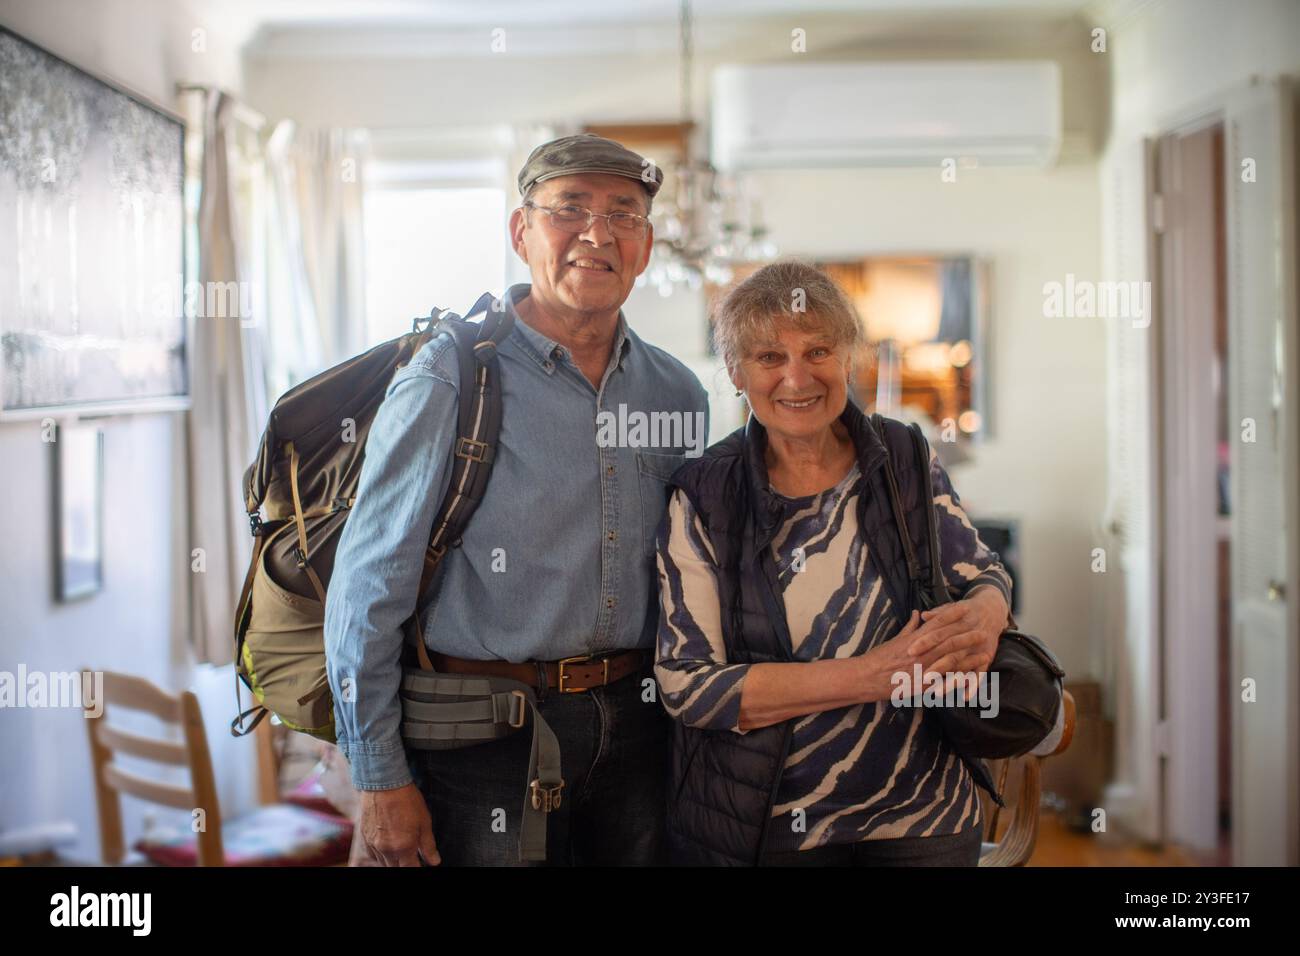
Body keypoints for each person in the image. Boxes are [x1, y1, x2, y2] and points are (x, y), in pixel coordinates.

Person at [325, 133, 709, 866]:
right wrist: (378, 778)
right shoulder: (450, 377)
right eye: (571, 208)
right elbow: (367, 588)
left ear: (647, 245)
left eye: (623, 214)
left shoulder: (677, 393)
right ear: (521, 230)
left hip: (641, 729)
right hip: (485, 740)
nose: (597, 233)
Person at [654, 260, 1062, 866]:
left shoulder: (902, 454)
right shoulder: (705, 493)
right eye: (769, 357)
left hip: (927, 815)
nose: (797, 377)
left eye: (818, 350)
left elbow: (981, 570)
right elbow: (689, 686)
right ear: (738, 373)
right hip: (774, 825)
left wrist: (986, 610)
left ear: (848, 358)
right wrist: (876, 674)